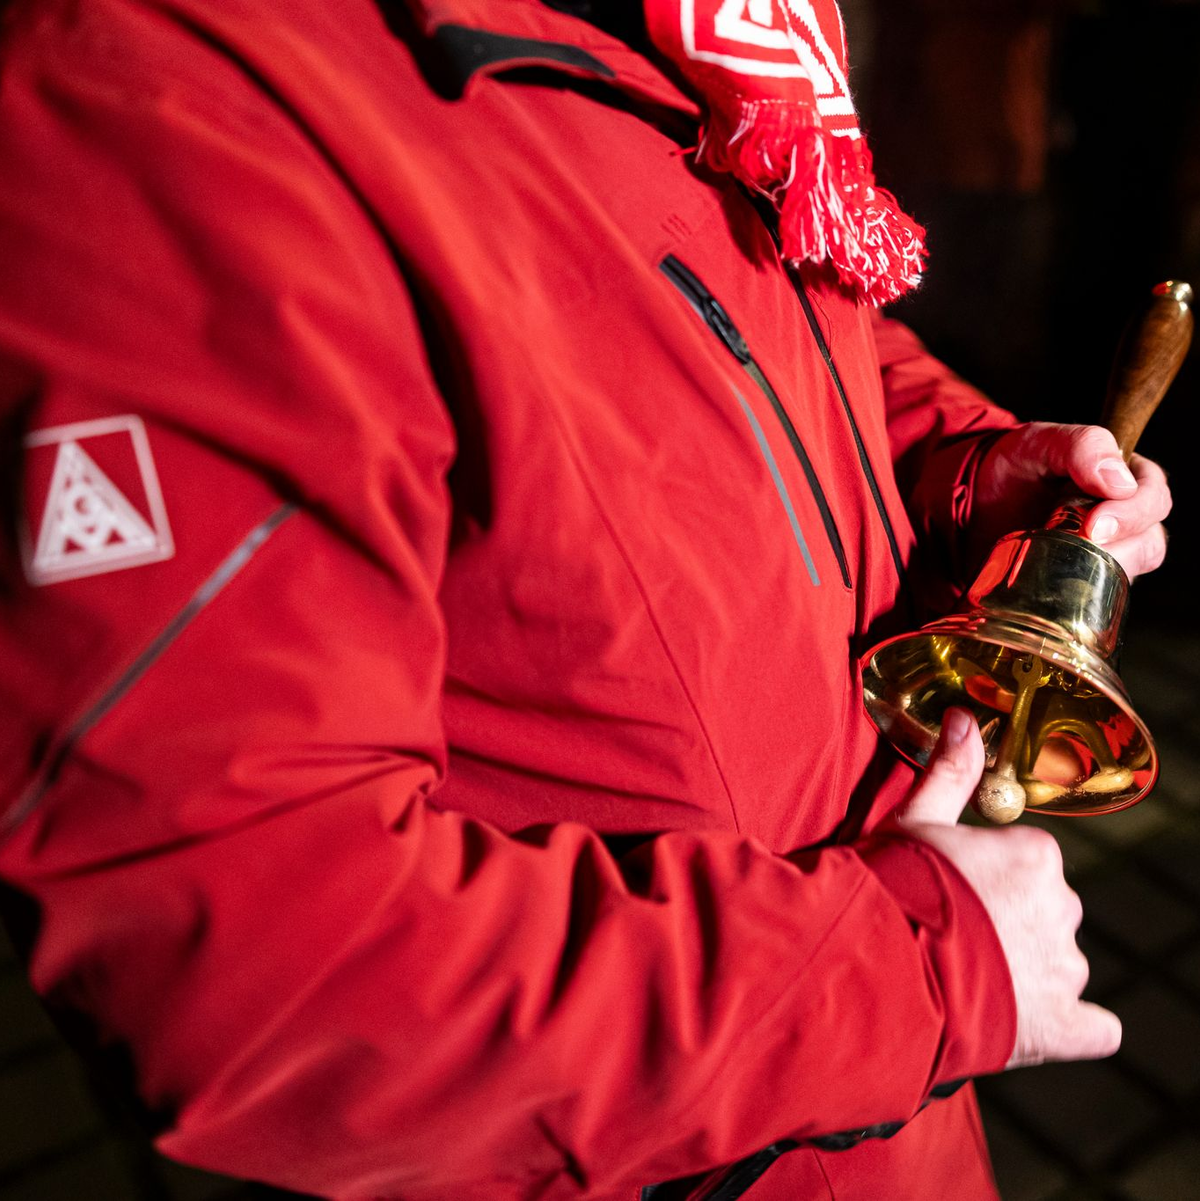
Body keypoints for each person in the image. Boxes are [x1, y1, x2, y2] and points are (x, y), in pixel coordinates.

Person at [0, 0, 1171, 1198]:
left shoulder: (674, 17)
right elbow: (252, 970)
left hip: (865, 1104)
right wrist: (921, 968)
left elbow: (775, 316)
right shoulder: (181, 102)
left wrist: (965, 472)